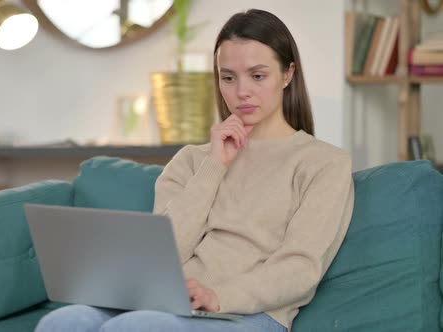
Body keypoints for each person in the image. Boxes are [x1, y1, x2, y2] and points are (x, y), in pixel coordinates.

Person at [34, 8, 354, 332]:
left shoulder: (324, 164)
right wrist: (214, 166)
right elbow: (165, 253)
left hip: (251, 315)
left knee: (134, 327)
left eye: (258, 76)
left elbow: (300, 268)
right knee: (64, 320)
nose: (241, 91)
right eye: (228, 77)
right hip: (169, 303)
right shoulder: (192, 159)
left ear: (287, 74)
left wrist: (218, 295)